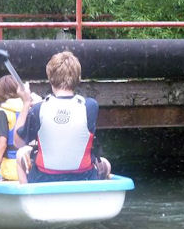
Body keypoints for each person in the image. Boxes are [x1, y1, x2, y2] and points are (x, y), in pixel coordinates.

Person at [13, 51, 111, 184]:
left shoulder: (38, 109)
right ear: (78, 78)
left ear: (50, 78)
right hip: (84, 176)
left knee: (20, 155)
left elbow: (18, 143)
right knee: (105, 164)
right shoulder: (91, 106)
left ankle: (28, 197)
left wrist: (26, 104)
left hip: (43, 178)